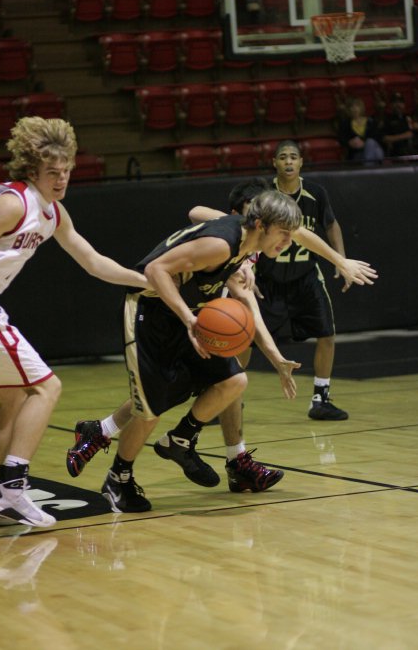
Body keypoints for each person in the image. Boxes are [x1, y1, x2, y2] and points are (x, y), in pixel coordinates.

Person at [66, 190, 310, 513]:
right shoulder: (221, 244)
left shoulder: (245, 248)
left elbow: (248, 308)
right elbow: (155, 270)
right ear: (262, 225)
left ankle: (180, 439)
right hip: (151, 312)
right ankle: (118, 479)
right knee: (150, 409)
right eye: (284, 234)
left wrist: (275, 358)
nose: (287, 242)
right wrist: (189, 319)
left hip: (189, 316)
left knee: (233, 381)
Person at [0, 116, 150, 528]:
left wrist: (148, 283)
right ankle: (13, 488)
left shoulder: (53, 214)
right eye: (52, 173)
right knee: (47, 387)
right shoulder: (12, 203)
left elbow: (94, 263)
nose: (61, 180)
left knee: (14, 397)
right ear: (32, 171)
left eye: (67, 171)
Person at [188, 176, 378, 436]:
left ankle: (219, 444)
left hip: (212, 296)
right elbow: (194, 211)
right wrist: (231, 223)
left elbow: (304, 235)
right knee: (168, 388)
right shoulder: (236, 227)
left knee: (233, 362)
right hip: (177, 298)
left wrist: (340, 261)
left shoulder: (266, 233)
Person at [256, 140, 356, 420]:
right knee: (242, 338)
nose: (288, 162)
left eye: (294, 157)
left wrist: (342, 259)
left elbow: (331, 224)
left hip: (306, 276)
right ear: (274, 162)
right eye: (283, 157)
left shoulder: (316, 193)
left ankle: (320, 399)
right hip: (267, 278)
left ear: (301, 162)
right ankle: (228, 400)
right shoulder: (264, 195)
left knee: (327, 334)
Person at [338, 97, 384, 163]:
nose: (355, 109)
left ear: (361, 108)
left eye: (357, 106)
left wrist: (364, 143)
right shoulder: (345, 123)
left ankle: (368, 170)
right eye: (352, 107)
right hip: (358, 153)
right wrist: (349, 142)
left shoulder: (371, 121)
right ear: (348, 109)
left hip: (373, 149)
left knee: (370, 143)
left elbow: (378, 137)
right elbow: (341, 138)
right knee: (376, 153)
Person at [378, 92, 418, 157]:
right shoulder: (387, 119)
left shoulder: (409, 117)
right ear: (391, 105)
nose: (398, 105)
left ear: (404, 104)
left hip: (415, 149)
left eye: (400, 102)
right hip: (397, 152)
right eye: (395, 102)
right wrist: (404, 136)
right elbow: (384, 138)